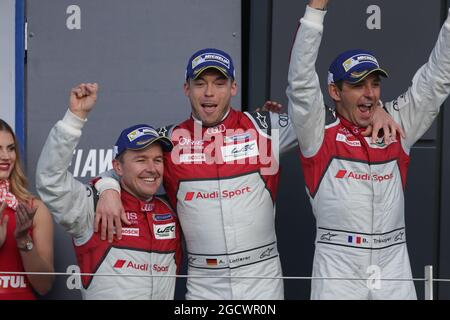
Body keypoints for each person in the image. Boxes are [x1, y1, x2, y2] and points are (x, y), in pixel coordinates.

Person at [94, 48, 401, 300]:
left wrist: (379, 110)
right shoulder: (169, 138)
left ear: (233, 87)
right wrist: (108, 187)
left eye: (219, 83)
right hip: (204, 283)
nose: (209, 92)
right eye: (200, 83)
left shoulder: (265, 127)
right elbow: (128, 164)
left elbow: (331, 113)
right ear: (187, 88)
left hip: (261, 278)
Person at [287, 0, 450, 299]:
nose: (369, 94)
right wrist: (314, 13)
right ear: (335, 91)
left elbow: (436, 80)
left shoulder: (397, 124)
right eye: (358, 85)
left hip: (393, 265)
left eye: (374, 84)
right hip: (338, 267)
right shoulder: (318, 133)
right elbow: (299, 82)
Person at [35, 83, 182, 299]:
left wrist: (106, 184)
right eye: (141, 159)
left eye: (157, 160)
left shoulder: (171, 208)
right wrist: (74, 120)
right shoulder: (92, 206)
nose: (151, 168)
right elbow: (50, 180)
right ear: (118, 166)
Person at [0, 119, 54, 300]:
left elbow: (44, 286)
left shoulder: (34, 208)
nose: (6, 156)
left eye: (10, 148)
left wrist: (24, 240)